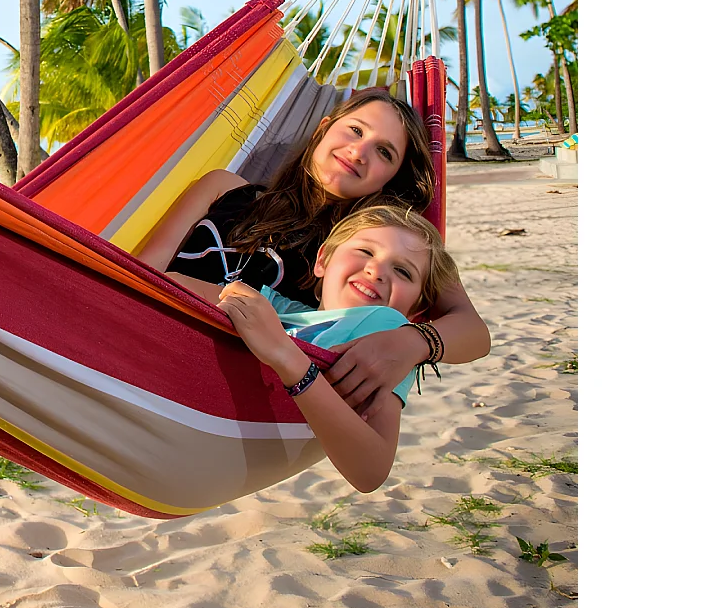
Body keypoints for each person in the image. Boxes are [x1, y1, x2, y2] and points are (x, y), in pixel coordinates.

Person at [137, 91, 489, 411]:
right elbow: (140, 273)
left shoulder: (363, 250)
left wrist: (413, 342)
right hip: (143, 351)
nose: (359, 152)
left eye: (384, 152)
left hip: (236, 400)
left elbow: (473, 331)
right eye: (355, 130)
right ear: (323, 129)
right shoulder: (222, 188)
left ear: (392, 178)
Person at [217, 204, 461, 491]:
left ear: (415, 311)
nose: (376, 271)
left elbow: (371, 471)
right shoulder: (277, 305)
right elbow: (185, 293)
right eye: (366, 251)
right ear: (323, 260)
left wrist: (289, 359)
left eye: (403, 271)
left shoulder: (386, 327)